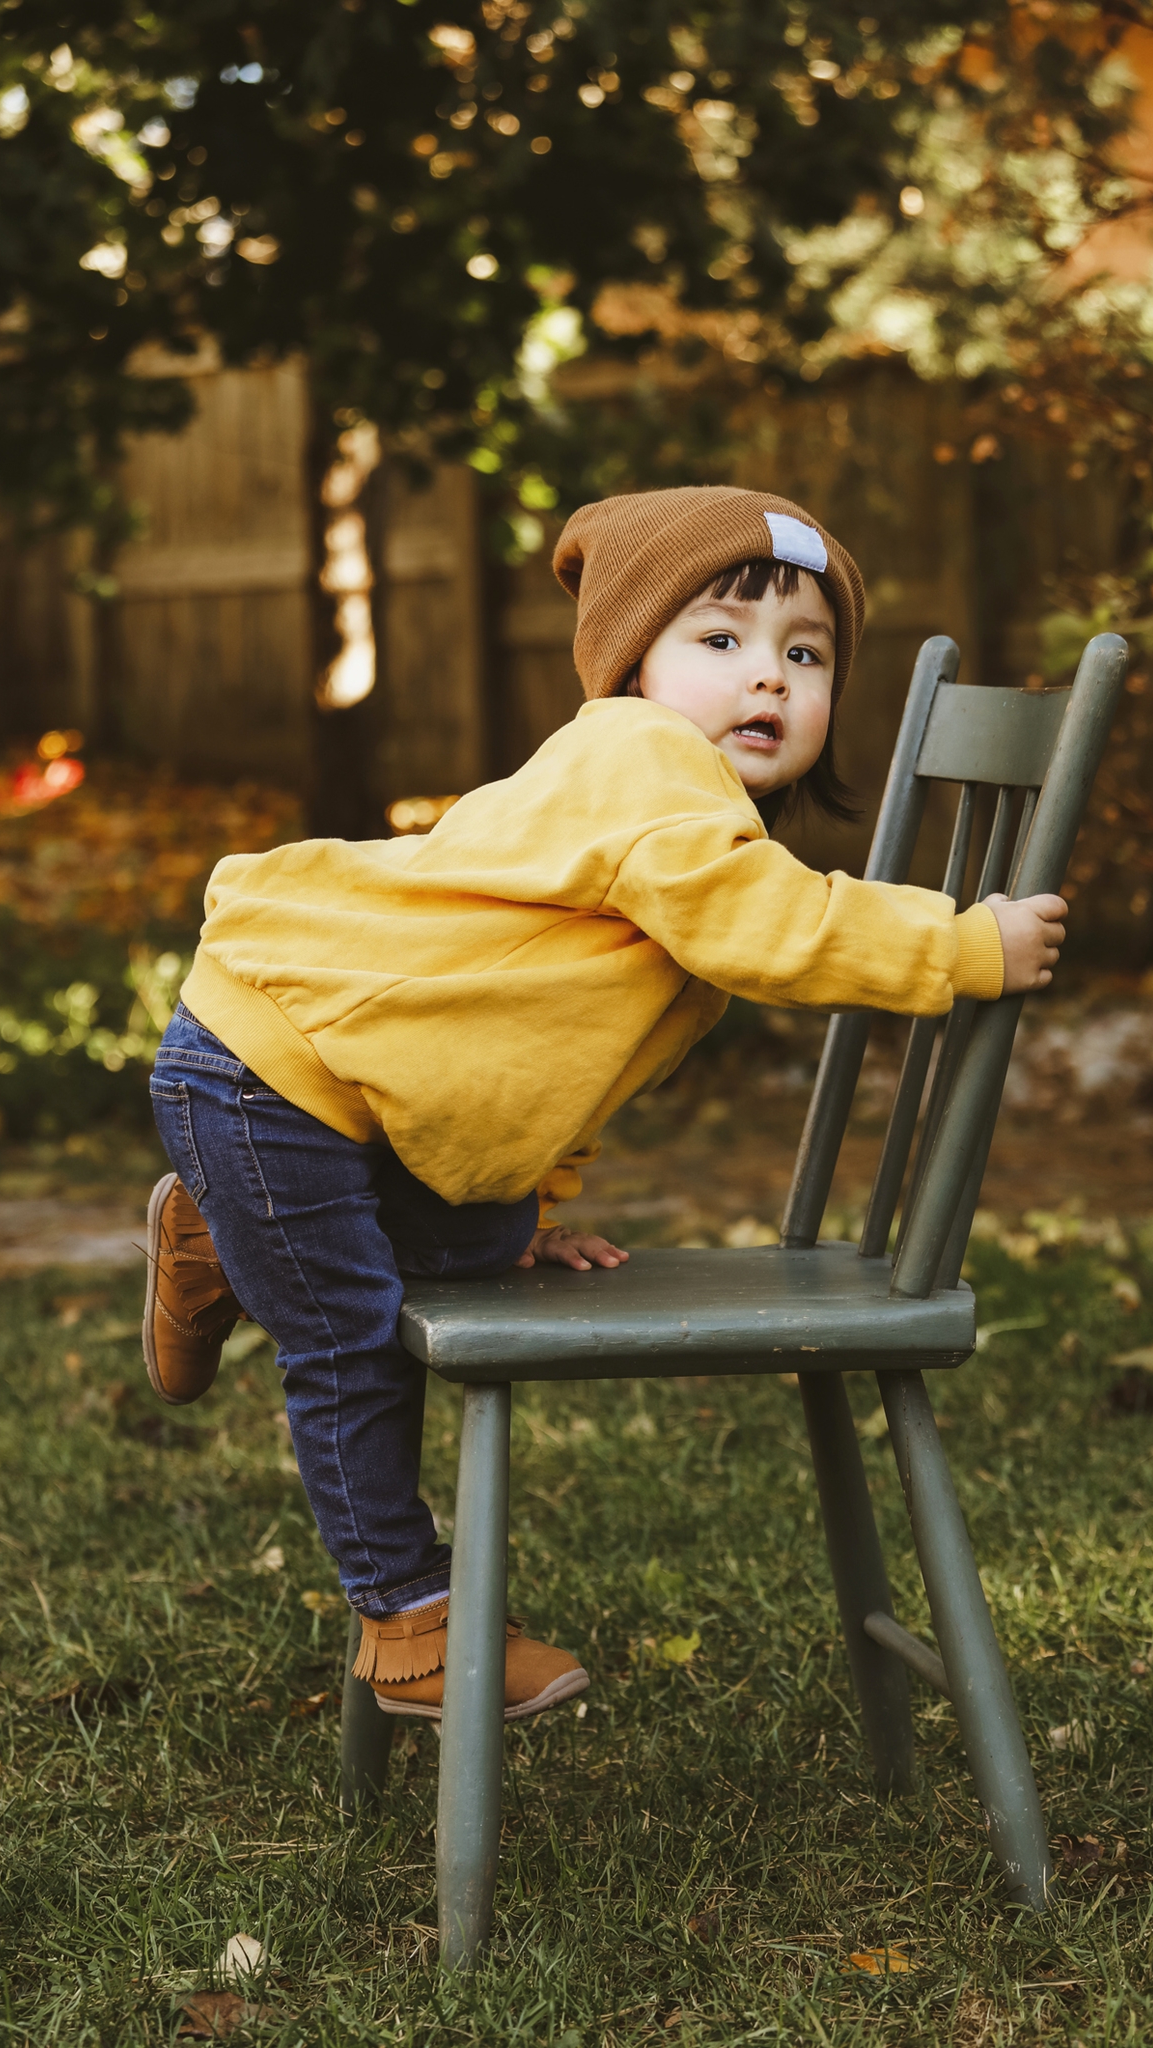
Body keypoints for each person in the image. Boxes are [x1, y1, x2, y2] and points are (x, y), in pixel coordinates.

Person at [142, 485, 1067, 1725]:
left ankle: (214, 1239)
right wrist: (960, 945)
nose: (769, 681)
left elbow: (557, 1054)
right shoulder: (644, 766)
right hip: (272, 1072)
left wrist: (535, 1203)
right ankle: (407, 1616)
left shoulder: (695, 834)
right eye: (722, 641)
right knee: (353, 1337)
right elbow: (781, 928)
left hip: (363, 1084)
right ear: (633, 667)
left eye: (805, 653)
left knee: (476, 1244)